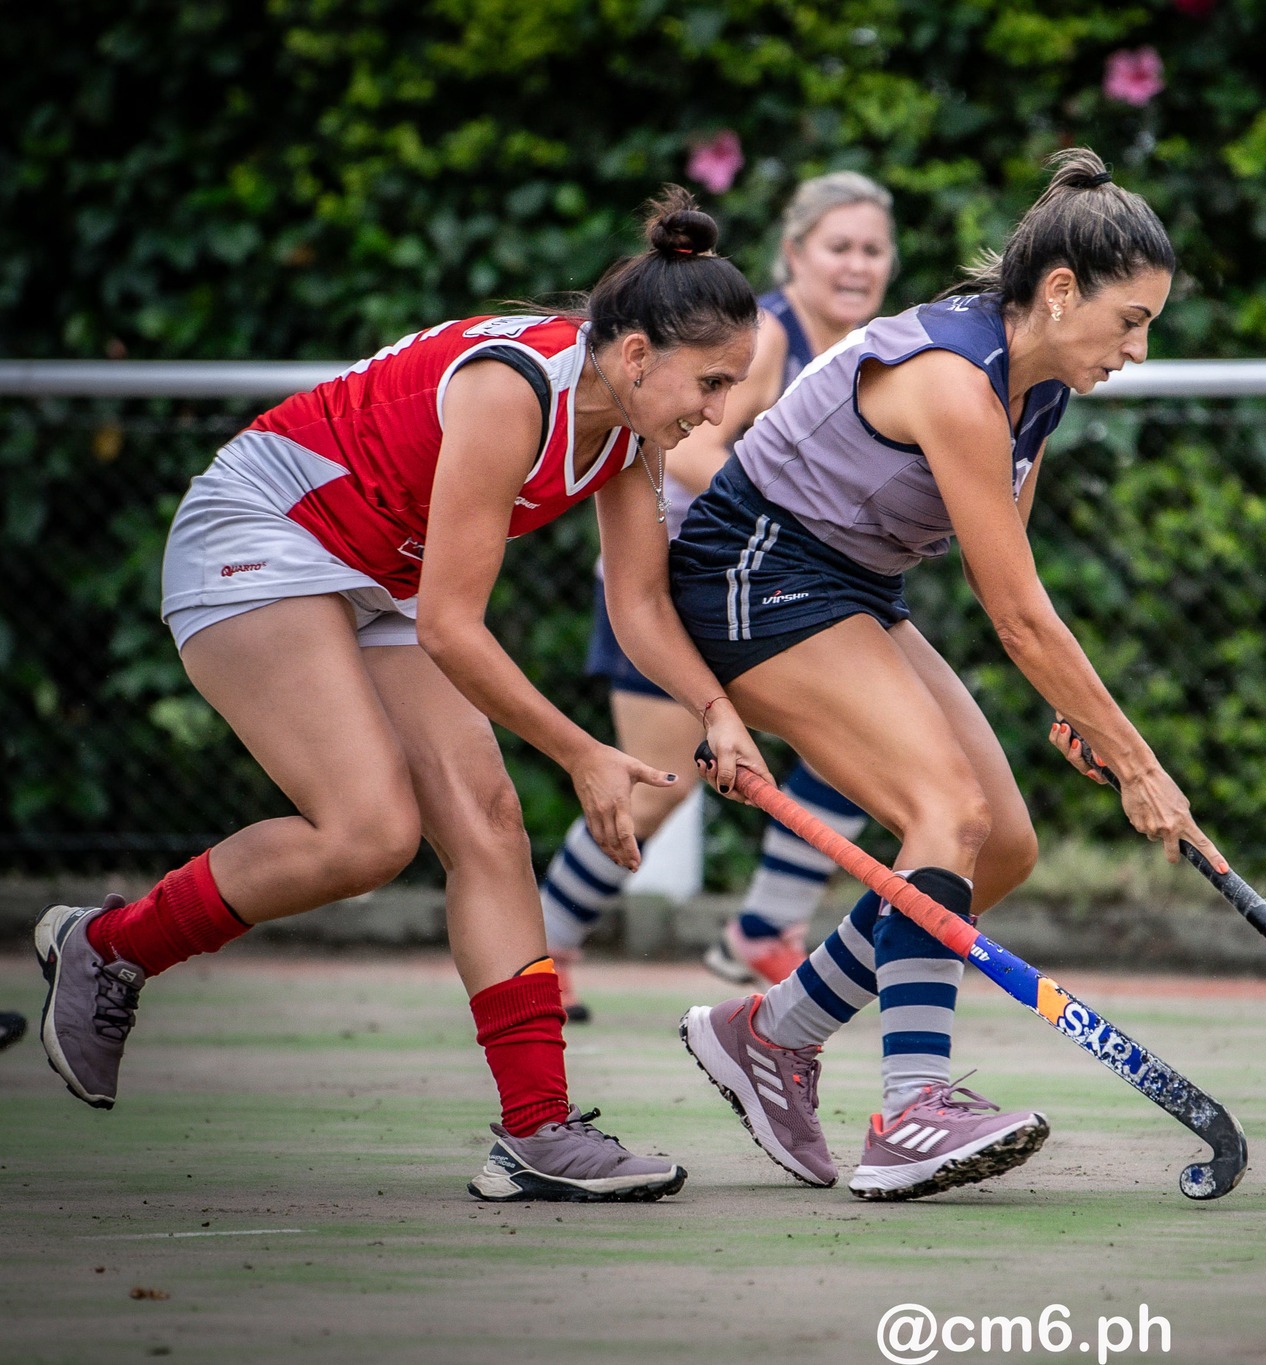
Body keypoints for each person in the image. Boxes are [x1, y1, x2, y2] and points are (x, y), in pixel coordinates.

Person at [32, 186, 771, 1202]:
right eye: (712, 380)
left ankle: (537, 1132)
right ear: (637, 355)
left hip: (377, 573)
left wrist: (715, 711)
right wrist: (580, 751)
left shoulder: (627, 431)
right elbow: (450, 625)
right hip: (262, 533)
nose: (719, 410)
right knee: (366, 834)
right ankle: (107, 947)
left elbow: (639, 605)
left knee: (487, 821)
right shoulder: (515, 390)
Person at [674, 148, 1222, 1201]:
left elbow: (1001, 577)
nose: (1139, 350)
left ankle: (770, 1033)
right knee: (945, 811)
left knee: (997, 851)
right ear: (1058, 293)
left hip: (850, 587)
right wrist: (1134, 760)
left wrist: (1076, 711)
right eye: (1131, 319)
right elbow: (1019, 617)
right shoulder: (951, 380)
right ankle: (911, 1111)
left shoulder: (1036, 391)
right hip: (753, 575)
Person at [539, 173, 895, 1015]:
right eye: (838, 246)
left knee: (865, 738)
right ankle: (540, 943)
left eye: (873, 248)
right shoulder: (764, 333)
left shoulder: (875, 346)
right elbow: (694, 455)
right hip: (667, 580)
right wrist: (780, 506)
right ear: (794, 253)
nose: (856, 264)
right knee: (660, 788)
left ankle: (764, 927)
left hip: (761, 586)